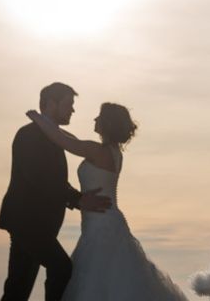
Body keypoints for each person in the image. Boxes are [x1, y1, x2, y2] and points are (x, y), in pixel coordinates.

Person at [26, 102, 188, 301]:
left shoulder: (97, 151)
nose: (94, 119)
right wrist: (51, 123)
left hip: (102, 226)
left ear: (107, 123)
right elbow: (71, 139)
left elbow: (63, 141)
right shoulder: (109, 151)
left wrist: (38, 117)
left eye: (98, 117)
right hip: (104, 222)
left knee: (100, 280)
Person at [0, 82, 112, 301]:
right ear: (51, 104)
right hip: (28, 221)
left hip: (38, 225)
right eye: (69, 104)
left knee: (17, 288)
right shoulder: (29, 134)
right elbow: (39, 178)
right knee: (61, 268)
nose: (73, 110)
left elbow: (55, 180)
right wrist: (78, 199)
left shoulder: (54, 136)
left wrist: (77, 198)